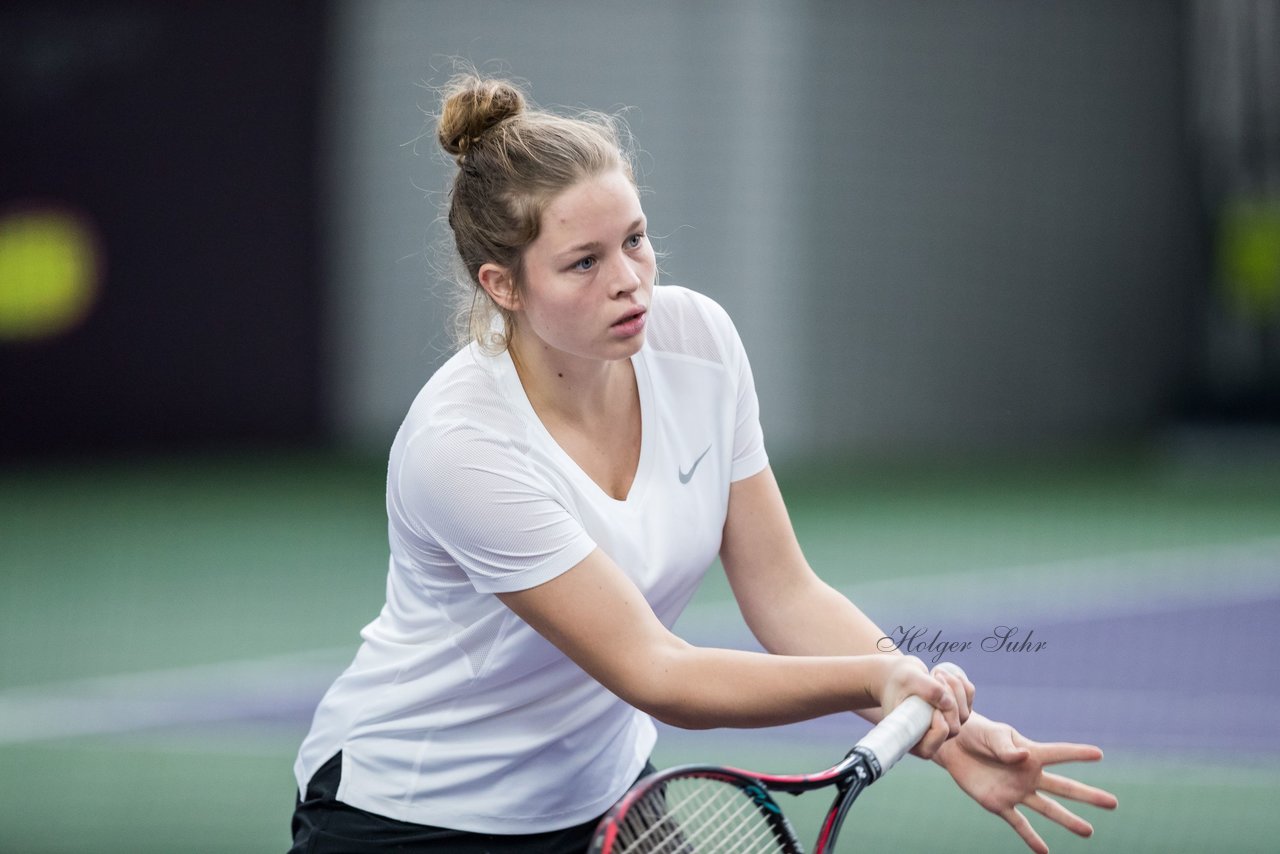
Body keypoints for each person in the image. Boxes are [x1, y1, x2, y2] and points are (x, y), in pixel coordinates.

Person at [289, 73, 1117, 854]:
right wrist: (881, 676)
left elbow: (784, 593)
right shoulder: (462, 446)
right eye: (586, 262)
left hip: (604, 798)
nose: (632, 282)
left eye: (637, 241)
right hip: (415, 814)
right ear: (504, 286)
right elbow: (659, 673)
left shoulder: (698, 343)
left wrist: (940, 724)